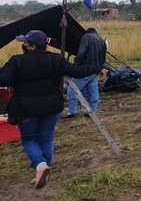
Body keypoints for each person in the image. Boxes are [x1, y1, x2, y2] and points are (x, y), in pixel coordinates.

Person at [0, 30, 98, 189]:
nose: (23, 45)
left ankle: (40, 165)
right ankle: (44, 170)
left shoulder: (16, 61)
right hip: (52, 106)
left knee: (29, 139)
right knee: (46, 139)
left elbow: (3, 79)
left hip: (26, 109)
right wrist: (96, 66)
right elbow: (77, 72)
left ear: (31, 46)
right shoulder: (56, 59)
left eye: (25, 42)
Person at [65, 28, 107, 118]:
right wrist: (99, 68)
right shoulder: (101, 40)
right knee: (93, 91)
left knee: (72, 89)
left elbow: (81, 52)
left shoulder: (86, 37)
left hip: (85, 70)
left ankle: (72, 111)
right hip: (96, 70)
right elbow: (103, 58)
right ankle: (92, 110)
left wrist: (76, 66)